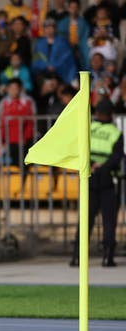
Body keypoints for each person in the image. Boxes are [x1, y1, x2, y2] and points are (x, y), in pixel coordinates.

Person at [70, 98, 124, 267]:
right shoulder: (115, 133)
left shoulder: (88, 128)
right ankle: (108, 256)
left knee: (85, 219)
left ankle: (77, 256)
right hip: (108, 179)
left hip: (89, 177)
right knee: (109, 220)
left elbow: (79, 149)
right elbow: (117, 156)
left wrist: (91, 164)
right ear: (111, 114)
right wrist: (103, 166)